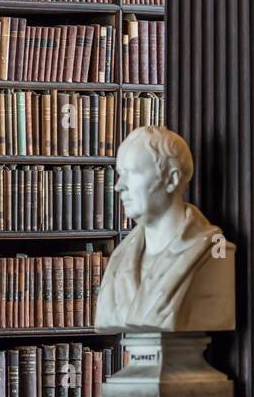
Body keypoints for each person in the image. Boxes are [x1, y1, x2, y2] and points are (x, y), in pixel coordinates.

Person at [95, 126, 232, 332]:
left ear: (172, 179)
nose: (119, 186)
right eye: (120, 174)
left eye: (131, 173)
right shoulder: (119, 258)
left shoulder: (214, 252)